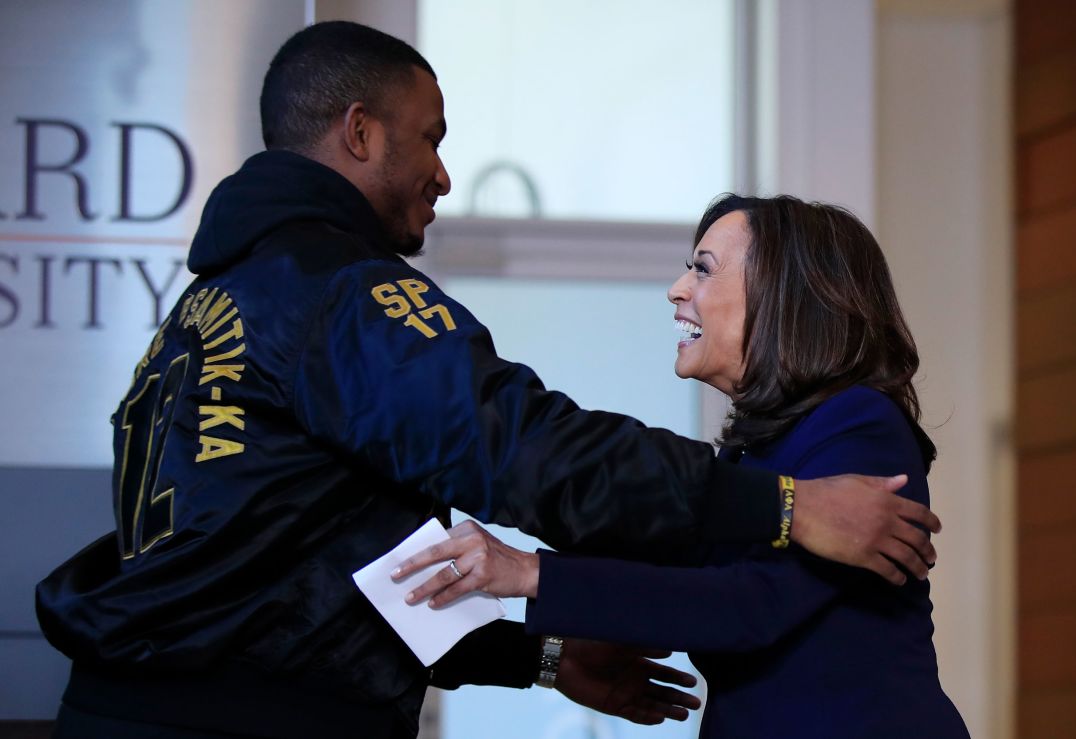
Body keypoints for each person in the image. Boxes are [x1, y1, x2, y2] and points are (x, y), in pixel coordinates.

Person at [35, 22, 941, 739]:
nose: (443, 173)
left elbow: (335, 578)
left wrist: (539, 657)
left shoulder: (206, 312)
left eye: (703, 268)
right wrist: (783, 507)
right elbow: (530, 450)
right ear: (359, 132)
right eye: (429, 139)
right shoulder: (338, 297)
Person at [396, 195, 971, 737]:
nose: (676, 290)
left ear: (786, 293)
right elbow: (689, 580)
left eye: (702, 268)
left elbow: (747, 606)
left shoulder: (859, 424)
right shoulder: (751, 451)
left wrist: (530, 572)